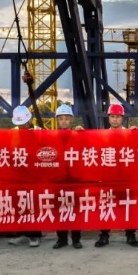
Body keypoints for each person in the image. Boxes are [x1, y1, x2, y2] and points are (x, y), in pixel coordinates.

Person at [94, 103, 138, 248]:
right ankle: (104, 235)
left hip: (125, 177)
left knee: (128, 206)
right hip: (108, 177)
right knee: (106, 205)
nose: (115, 119)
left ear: (123, 118)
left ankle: (130, 235)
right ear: (108, 118)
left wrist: (137, 134)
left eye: (118, 117)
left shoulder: (130, 134)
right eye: (112, 116)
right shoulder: (102, 135)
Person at [8, 105, 43, 247]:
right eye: (19, 124)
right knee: (19, 204)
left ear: (30, 120)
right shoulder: (12, 132)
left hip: (35, 174)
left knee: (33, 204)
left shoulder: (40, 132)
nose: (22, 126)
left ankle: (34, 234)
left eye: (24, 123)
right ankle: (21, 232)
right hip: (18, 173)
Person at [53, 104, 83, 249]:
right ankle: (62, 239)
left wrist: (82, 133)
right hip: (58, 179)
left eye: (66, 118)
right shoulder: (51, 137)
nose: (64, 121)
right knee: (60, 210)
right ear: (57, 120)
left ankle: (76, 239)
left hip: (74, 178)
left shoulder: (78, 135)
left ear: (71, 120)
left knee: (75, 209)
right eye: (61, 119)